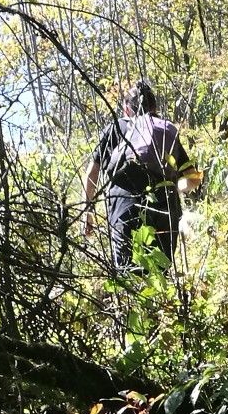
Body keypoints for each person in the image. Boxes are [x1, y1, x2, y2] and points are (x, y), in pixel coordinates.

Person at [82, 80, 191, 271]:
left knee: (129, 278)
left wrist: (88, 213)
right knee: (159, 277)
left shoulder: (115, 128)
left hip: (125, 210)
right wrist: (174, 188)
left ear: (126, 110)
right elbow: (192, 177)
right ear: (155, 107)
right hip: (164, 210)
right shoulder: (165, 130)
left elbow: (92, 173)